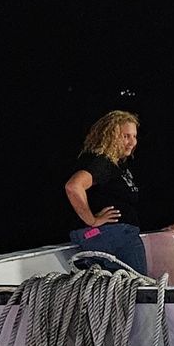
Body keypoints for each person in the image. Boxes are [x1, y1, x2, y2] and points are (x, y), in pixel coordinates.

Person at [65, 110, 148, 273]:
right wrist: (92, 220)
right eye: (126, 136)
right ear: (110, 136)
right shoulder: (103, 163)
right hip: (115, 235)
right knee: (138, 288)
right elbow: (73, 186)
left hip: (97, 236)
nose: (132, 142)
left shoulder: (115, 165)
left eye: (134, 136)